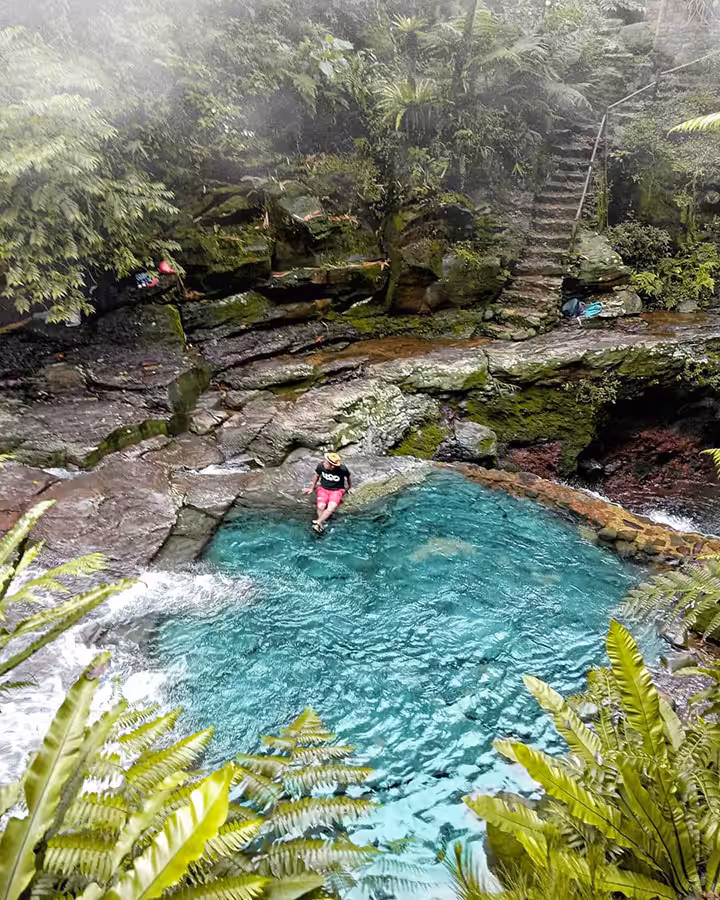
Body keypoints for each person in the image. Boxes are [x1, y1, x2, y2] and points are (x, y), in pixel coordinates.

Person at [303, 452, 352, 532]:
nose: (324, 463)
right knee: (321, 506)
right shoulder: (321, 466)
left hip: (337, 490)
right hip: (323, 489)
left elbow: (348, 477)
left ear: (332, 466)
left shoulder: (342, 469)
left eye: (326, 462)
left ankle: (319, 522)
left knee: (331, 506)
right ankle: (321, 523)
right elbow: (317, 476)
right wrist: (311, 488)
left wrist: (350, 487)